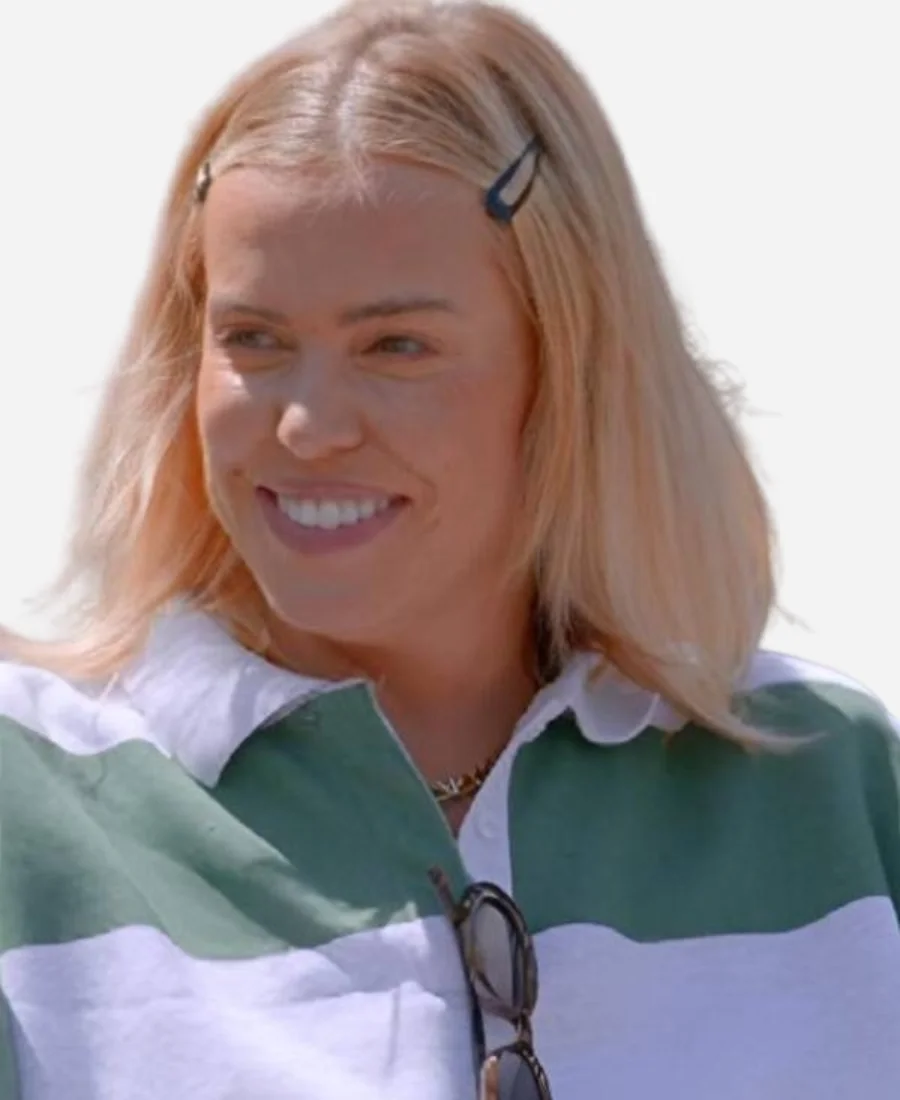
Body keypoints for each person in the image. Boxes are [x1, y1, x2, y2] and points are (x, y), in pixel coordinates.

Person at [1, 1, 897, 1097]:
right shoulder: (25, 795)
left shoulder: (836, 781)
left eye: (397, 345)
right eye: (253, 340)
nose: (307, 426)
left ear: (568, 371)